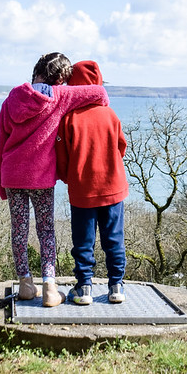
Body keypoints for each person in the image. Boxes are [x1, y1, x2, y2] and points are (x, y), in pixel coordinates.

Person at [0, 52, 109, 307]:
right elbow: (99, 94)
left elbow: (0, 144)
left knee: (19, 230)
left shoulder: (12, 98)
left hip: (12, 176)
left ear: (36, 71)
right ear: (61, 80)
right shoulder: (60, 96)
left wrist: (1, 186)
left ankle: (25, 284)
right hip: (41, 178)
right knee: (46, 230)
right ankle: (49, 288)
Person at [55, 60, 128, 305]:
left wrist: (71, 178)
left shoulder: (69, 118)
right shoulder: (110, 114)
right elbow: (121, 146)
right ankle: (116, 286)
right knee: (114, 240)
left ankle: (84, 287)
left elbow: (62, 158)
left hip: (82, 190)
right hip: (113, 188)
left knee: (83, 243)